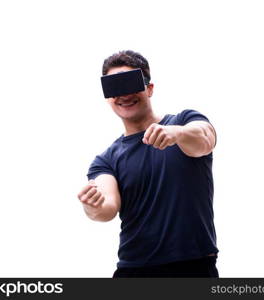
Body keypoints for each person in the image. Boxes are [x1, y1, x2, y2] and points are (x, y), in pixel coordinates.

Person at [77, 50, 219, 278]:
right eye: (115, 87)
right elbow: (107, 207)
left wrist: (177, 134)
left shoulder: (185, 121)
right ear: (108, 96)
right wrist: (92, 206)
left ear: (149, 88)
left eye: (131, 83)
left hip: (193, 267)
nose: (124, 94)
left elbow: (205, 139)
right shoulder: (106, 160)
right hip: (134, 270)